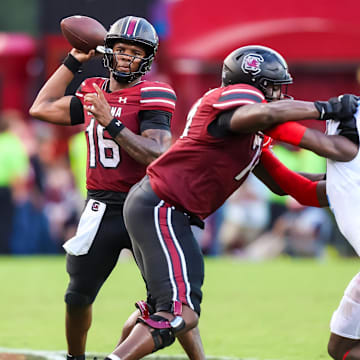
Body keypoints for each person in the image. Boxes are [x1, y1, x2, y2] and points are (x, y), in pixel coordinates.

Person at [89, 45, 358, 360]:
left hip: (163, 207)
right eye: (273, 86)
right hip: (162, 205)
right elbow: (266, 112)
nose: (279, 95)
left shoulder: (248, 134)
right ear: (252, 81)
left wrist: (345, 188)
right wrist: (324, 108)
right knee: (180, 314)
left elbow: (293, 188)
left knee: (169, 310)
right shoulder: (232, 99)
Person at [29, 15, 204, 360]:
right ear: (108, 51)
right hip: (100, 207)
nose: (127, 57)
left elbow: (157, 151)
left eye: (135, 52)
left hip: (146, 206)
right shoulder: (93, 89)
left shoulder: (154, 92)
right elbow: (42, 107)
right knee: (77, 295)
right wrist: (72, 61)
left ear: (148, 58)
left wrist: (112, 121)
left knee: (172, 301)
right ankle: (74, 357)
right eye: (121, 49)